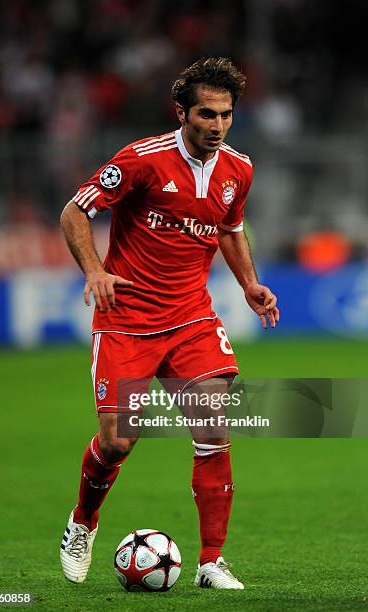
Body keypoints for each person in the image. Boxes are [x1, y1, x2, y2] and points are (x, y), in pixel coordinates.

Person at [59, 57, 279, 590]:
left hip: (191, 317)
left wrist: (249, 283)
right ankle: (82, 522)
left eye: (227, 115)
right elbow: (73, 212)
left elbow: (229, 228)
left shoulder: (238, 169)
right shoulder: (141, 160)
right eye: (207, 114)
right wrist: (96, 270)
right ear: (182, 112)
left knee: (213, 429)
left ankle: (210, 562)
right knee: (116, 445)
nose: (218, 125)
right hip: (127, 320)